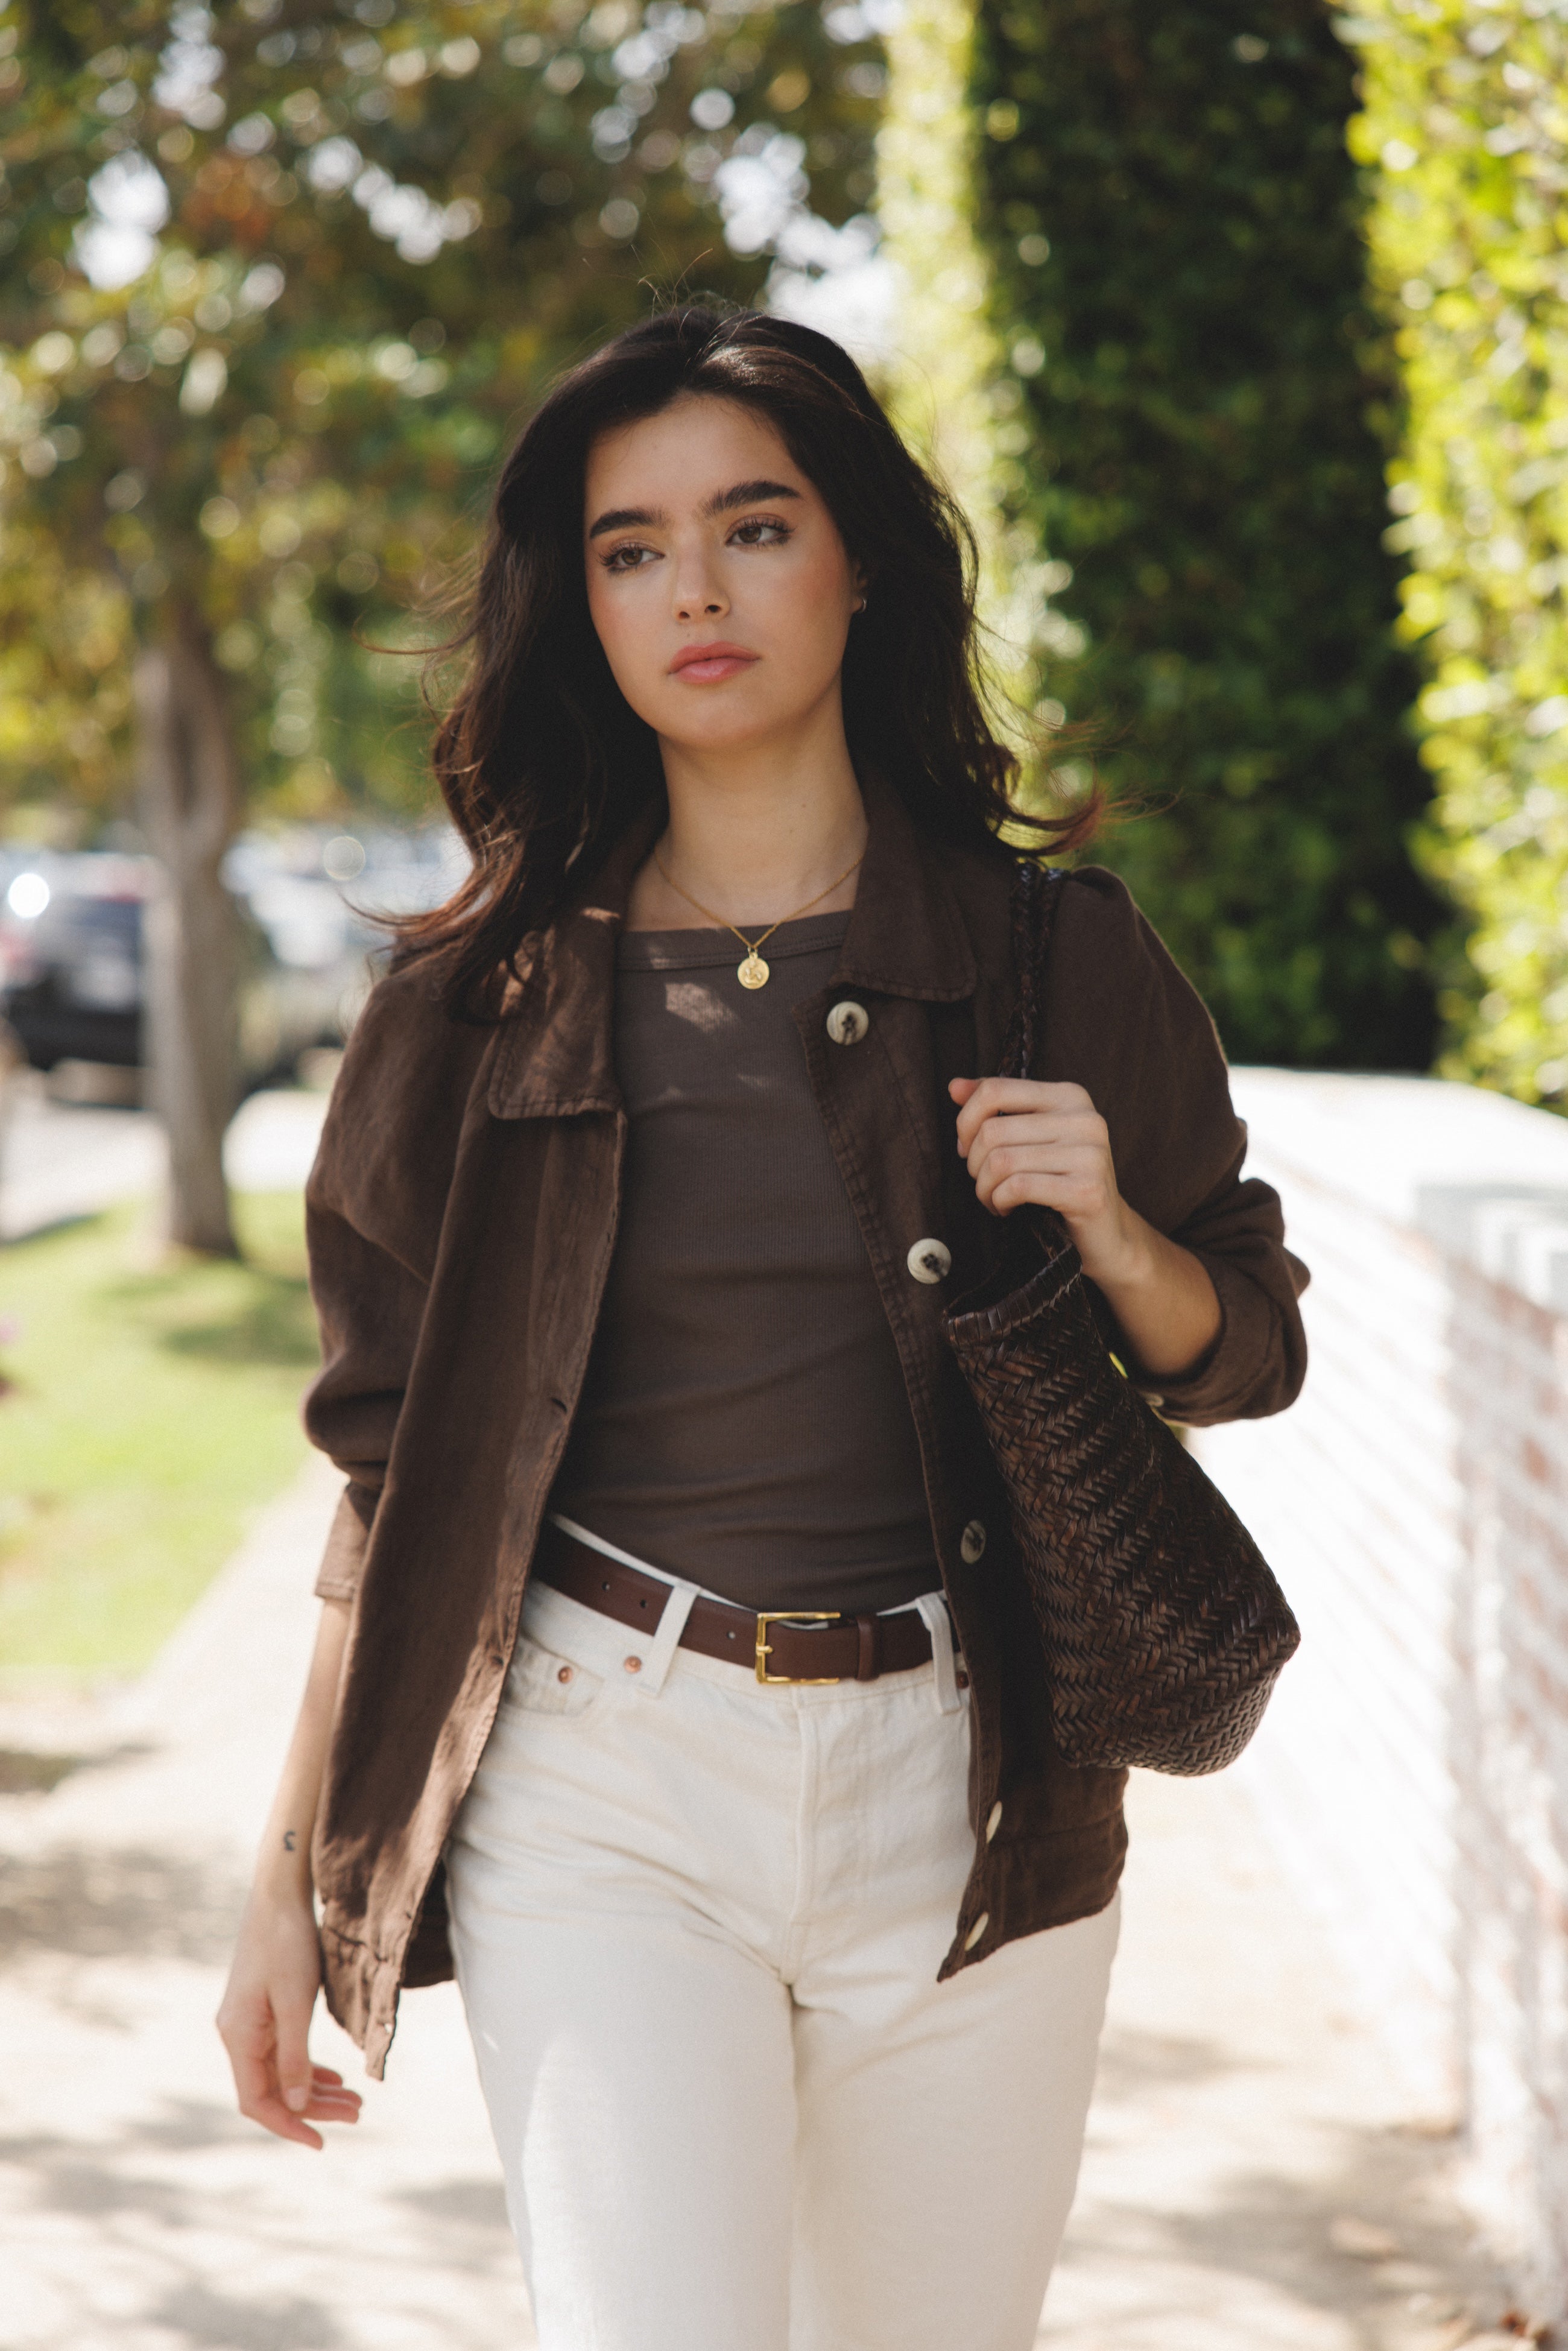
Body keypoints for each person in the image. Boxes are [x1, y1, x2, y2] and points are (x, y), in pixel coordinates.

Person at [217, 305, 1307, 2351]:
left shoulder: (1051, 961)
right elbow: (388, 1481)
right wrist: (297, 1874)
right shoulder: (469, 1014)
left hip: (976, 1793)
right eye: (631, 550)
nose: (693, 589)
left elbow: (1242, 1344)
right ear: (587, 608)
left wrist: (1109, 1221)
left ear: (862, 559)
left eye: (752, 525)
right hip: (605, 1773)